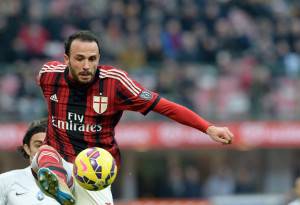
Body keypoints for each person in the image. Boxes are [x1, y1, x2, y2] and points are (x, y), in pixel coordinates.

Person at [34, 30, 234, 205]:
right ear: (66, 59)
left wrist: (208, 128)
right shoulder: (49, 76)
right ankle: (58, 182)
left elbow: (165, 106)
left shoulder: (116, 83)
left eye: (92, 59)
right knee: (45, 150)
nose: (87, 65)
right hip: (57, 156)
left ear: (99, 58)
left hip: (95, 167)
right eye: (80, 59)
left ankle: (62, 185)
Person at [0, 119, 60, 205]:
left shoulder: (73, 184)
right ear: (27, 149)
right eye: (38, 145)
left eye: (51, 145)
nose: (44, 150)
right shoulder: (5, 181)